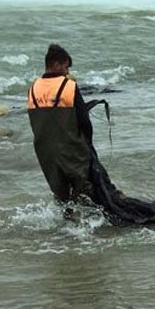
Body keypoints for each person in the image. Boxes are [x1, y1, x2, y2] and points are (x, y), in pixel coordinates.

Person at [27, 44, 95, 208]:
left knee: (62, 198)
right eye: (66, 68)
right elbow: (84, 121)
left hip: (45, 153)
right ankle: (90, 230)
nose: (67, 73)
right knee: (85, 196)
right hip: (72, 151)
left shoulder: (33, 88)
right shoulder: (69, 86)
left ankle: (64, 229)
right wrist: (89, 146)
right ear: (57, 65)